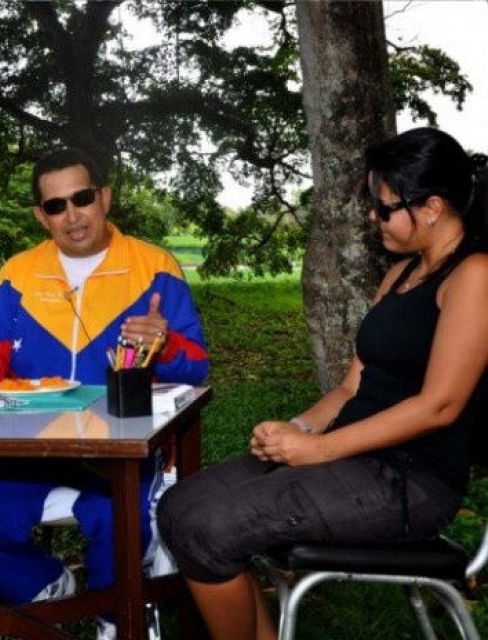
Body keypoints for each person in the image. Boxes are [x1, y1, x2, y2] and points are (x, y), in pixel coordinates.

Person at [157, 126, 488, 640]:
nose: (373, 217)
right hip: (351, 458)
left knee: (208, 529)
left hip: (410, 481)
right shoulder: (400, 275)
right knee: (179, 507)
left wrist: (319, 450)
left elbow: (439, 406)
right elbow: (352, 386)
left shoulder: (474, 276)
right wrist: (299, 428)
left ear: (431, 208)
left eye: (384, 208)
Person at [0, 147, 208, 638]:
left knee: (118, 519)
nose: (72, 216)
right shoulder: (17, 273)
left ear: (105, 197)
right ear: (40, 216)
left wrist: (166, 343)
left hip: (119, 447)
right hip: (27, 445)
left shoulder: (155, 268)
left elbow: (198, 367)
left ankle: (116, 618)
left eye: (82, 198)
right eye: (56, 205)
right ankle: (44, 588)